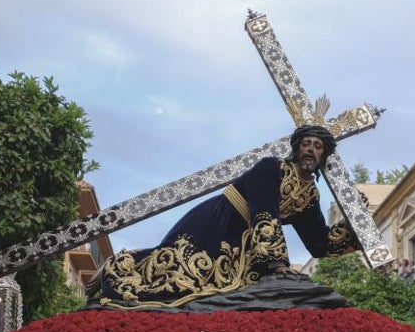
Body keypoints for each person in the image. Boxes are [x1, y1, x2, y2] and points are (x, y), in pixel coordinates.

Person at [98, 125, 361, 309]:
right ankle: (118, 269)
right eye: (306, 144)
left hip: (244, 250)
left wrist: (353, 226)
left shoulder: (309, 196)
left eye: (317, 147)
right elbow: (264, 214)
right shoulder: (271, 168)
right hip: (215, 224)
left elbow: (319, 243)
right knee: (175, 275)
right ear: (296, 148)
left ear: (323, 155)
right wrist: (279, 267)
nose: (310, 150)